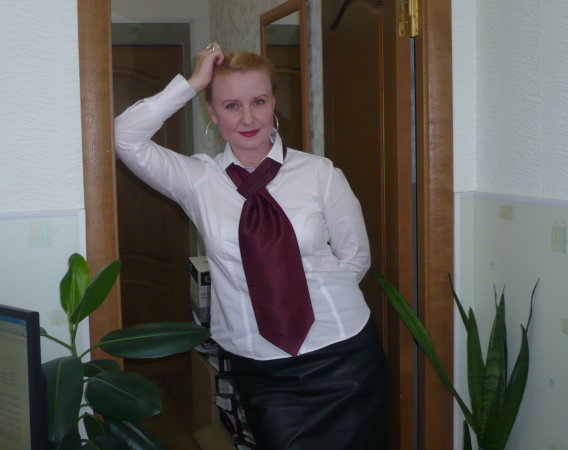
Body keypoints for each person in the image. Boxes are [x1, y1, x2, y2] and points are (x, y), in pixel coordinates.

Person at [114, 42, 387, 450]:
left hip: (344, 356)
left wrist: (302, 297)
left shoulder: (320, 173)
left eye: (258, 101)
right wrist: (193, 82)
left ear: (273, 102)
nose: (247, 118)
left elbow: (355, 258)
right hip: (262, 368)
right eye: (231, 105)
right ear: (212, 113)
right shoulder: (198, 180)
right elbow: (124, 136)